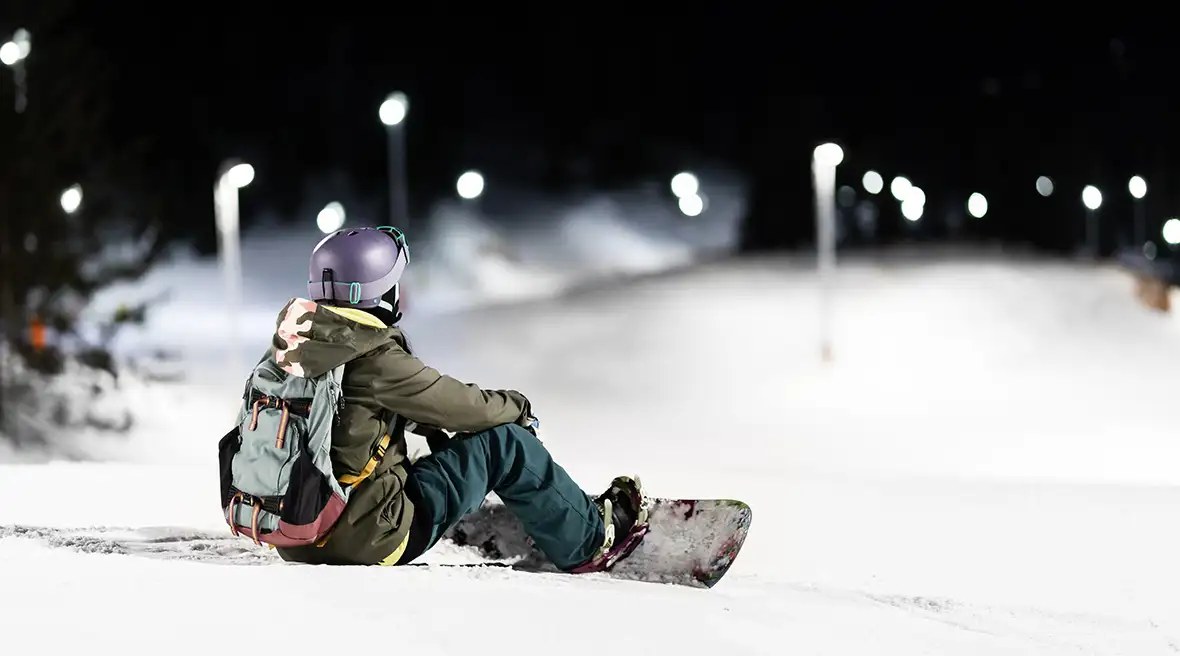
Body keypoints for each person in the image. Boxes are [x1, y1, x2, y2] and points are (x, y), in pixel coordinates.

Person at [269, 226, 648, 570]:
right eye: (395, 282)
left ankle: (554, 511)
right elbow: (463, 406)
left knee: (407, 456)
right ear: (378, 292)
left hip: (297, 536)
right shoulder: (375, 359)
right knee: (506, 445)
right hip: (366, 541)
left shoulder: (294, 350)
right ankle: (592, 540)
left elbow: (351, 417)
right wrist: (518, 407)